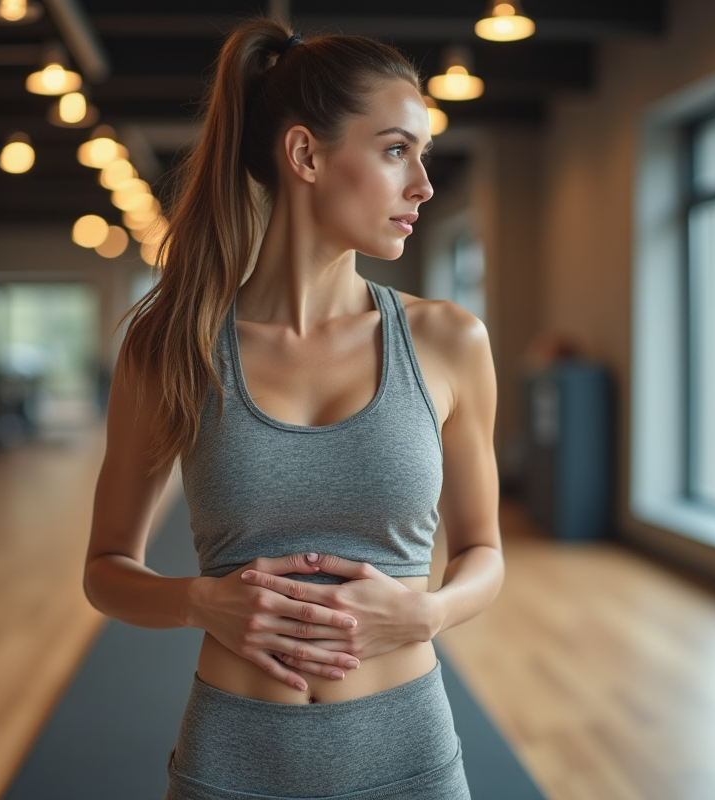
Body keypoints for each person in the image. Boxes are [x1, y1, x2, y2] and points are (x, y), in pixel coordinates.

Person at [84, 17, 504, 800]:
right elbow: (106, 570)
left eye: (423, 154)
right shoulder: (172, 344)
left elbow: (485, 554)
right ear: (306, 154)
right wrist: (198, 600)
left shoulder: (449, 340)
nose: (423, 184)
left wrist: (427, 614)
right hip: (232, 761)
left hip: (409, 759)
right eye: (394, 149)